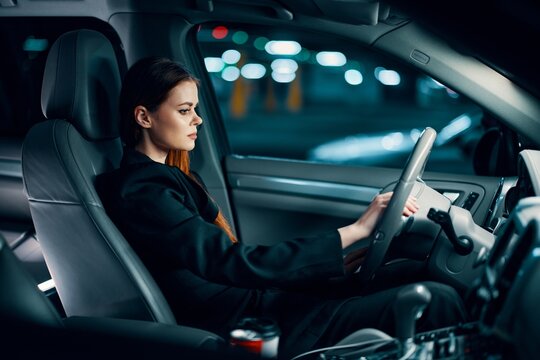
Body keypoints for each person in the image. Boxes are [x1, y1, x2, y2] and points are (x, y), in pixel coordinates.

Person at [96, 57, 467, 359]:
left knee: (411, 274)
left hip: (264, 303)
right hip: (252, 323)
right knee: (437, 301)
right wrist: (355, 231)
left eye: (195, 108)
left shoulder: (165, 177)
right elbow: (230, 262)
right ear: (144, 117)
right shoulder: (143, 191)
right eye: (184, 110)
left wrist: (337, 265)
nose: (199, 119)